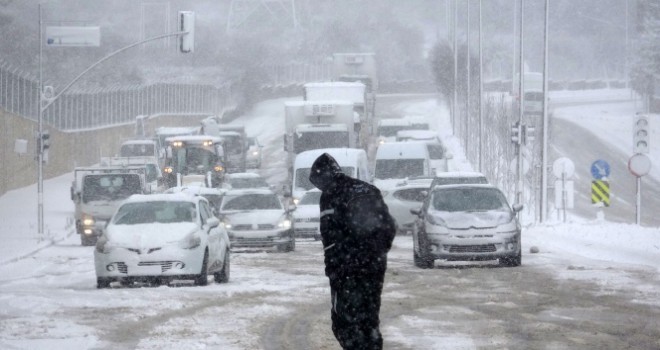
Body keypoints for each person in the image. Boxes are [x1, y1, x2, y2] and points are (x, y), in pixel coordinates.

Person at [309, 153, 396, 350]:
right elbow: (388, 227)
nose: (319, 188)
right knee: (369, 321)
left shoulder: (331, 194)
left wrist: (333, 269)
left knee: (343, 322)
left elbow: (330, 238)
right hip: (373, 269)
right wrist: (376, 254)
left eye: (318, 183)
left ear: (323, 177)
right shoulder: (369, 189)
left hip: (347, 270)